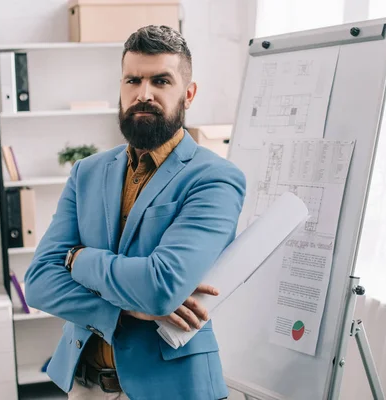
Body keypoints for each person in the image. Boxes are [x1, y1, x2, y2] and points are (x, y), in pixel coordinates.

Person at [24, 25, 246, 400]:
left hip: (169, 389)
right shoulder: (87, 172)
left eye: (161, 81)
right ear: (121, 88)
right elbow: (40, 282)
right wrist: (127, 311)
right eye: (133, 81)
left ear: (188, 94)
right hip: (85, 383)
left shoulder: (216, 179)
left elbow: (159, 288)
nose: (144, 94)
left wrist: (79, 259)